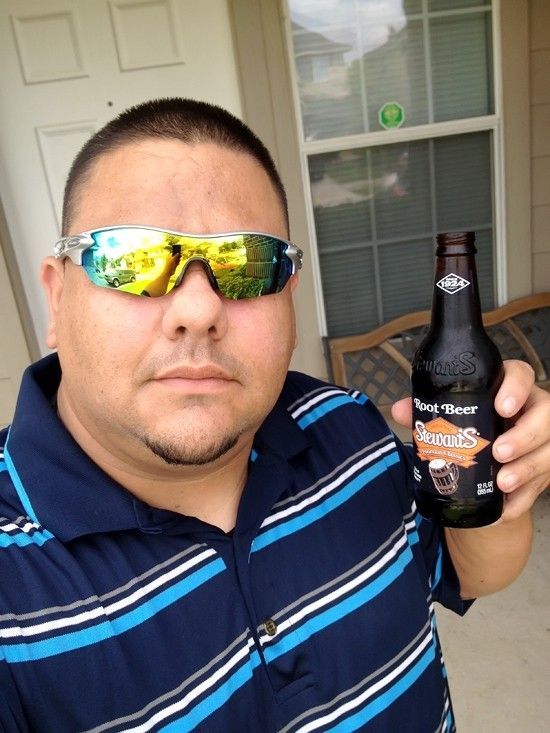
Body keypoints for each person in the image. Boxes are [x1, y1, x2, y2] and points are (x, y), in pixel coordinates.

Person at [0, 98, 548, 733]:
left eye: (247, 265)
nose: (198, 311)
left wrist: (503, 474)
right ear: (57, 297)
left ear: (289, 300)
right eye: (134, 260)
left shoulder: (350, 427)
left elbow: (469, 571)